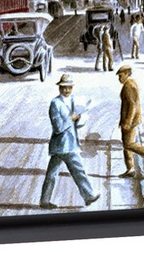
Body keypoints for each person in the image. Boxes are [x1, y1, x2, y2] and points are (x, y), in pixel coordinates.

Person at [39, 74, 100, 209]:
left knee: (52, 173)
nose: (66, 90)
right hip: (64, 145)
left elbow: (74, 124)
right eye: (63, 87)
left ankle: (44, 200)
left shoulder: (72, 100)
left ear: (72, 88)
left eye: (69, 87)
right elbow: (58, 127)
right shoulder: (55, 103)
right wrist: (70, 119)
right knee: (78, 170)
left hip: (65, 145)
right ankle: (89, 195)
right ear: (59, 88)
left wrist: (79, 118)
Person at [116, 64, 144, 177]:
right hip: (127, 119)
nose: (119, 79)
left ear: (127, 74)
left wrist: (128, 121)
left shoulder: (129, 86)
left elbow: (133, 105)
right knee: (126, 143)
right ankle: (130, 169)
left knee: (128, 144)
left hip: (130, 120)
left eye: (121, 76)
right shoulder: (129, 84)